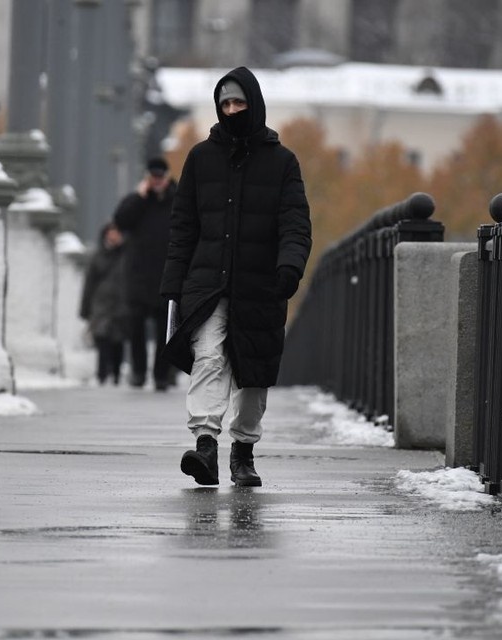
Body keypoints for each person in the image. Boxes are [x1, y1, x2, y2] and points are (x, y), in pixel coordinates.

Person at [160, 66, 312, 487]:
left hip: (260, 285)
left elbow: (295, 222)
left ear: (254, 104)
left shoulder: (282, 162)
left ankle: (242, 452)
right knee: (209, 357)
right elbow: (183, 226)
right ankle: (205, 445)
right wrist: (172, 282)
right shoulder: (200, 158)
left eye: (238, 103)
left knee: (253, 372)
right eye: (224, 104)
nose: (231, 110)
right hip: (207, 283)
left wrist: (289, 266)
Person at [113, 157, 176, 391]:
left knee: (164, 330)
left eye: (160, 176)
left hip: (166, 274)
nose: (157, 181)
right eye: (153, 176)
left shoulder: (178, 199)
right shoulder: (137, 200)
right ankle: (138, 372)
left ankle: (161, 375)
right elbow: (121, 221)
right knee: (135, 326)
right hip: (138, 276)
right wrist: (140, 197)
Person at [79, 222, 130, 385]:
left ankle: (115, 374)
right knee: (102, 339)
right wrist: (85, 308)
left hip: (121, 304)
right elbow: (89, 283)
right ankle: (102, 374)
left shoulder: (127, 255)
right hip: (101, 304)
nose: (114, 236)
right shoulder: (98, 256)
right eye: (111, 232)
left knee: (118, 341)